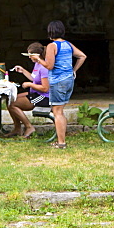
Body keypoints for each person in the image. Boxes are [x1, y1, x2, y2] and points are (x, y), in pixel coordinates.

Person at [32, 21, 85, 149]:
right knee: (60, 111)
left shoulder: (52, 45)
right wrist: (74, 70)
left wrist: (38, 59)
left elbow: (49, 66)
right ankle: (61, 140)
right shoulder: (68, 44)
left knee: (58, 112)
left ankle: (61, 143)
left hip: (57, 81)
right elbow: (82, 56)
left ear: (50, 32)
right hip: (68, 80)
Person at [6, 42, 50, 138]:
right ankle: (17, 128)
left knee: (13, 104)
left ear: (37, 55)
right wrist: (23, 71)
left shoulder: (44, 68)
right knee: (10, 100)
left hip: (43, 97)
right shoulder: (37, 64)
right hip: (35, 93)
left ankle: (29, 127)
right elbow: (34, 78)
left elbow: (45, 88)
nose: (29, 58)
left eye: (31, 55)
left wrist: (29, 84)